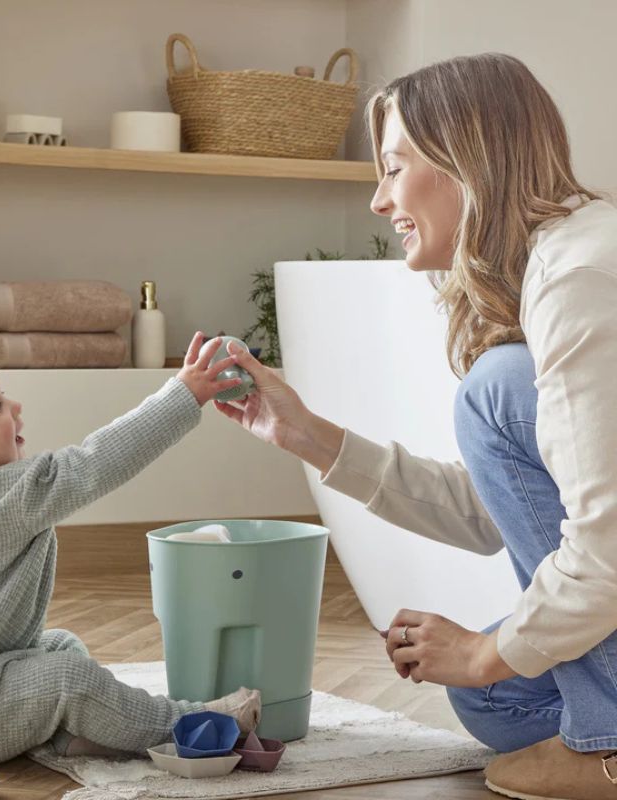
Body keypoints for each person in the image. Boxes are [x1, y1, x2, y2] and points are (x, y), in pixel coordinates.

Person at [216, 53, 617, 800]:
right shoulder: (557, 266)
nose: (378, 200)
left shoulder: (580, 281)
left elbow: (608, 551)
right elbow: (500, 511)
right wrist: (305, 434)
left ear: (464, 164)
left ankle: (608, 746)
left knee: (494, 390)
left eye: (393, 169)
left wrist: (484, 649)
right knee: (492, 701)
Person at [0, 335, 260, 767]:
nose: (15, 407)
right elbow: (98, 461)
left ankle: (70, 737)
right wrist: (184, 395)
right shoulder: (8, 493)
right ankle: (187, 725)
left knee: (59, 646)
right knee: (68, 678)